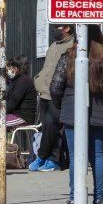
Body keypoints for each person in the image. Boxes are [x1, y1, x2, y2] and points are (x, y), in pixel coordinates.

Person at [50, 25, 103, 204]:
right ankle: (99, 200)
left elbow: (55, 87)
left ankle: (74, 198)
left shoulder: (69, 57)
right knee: (97, 155)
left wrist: (62, 105)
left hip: (72, 110)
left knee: (75, 157)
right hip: (99, 110)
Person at [30, 24, 74, 172]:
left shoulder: (72, 45)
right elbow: (47, 67)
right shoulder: (54, 45)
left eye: (58, 26)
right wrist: (38, 79)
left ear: (67, 29)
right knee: (47, 127)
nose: (54, 29)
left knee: (52, 125)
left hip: (56, 94)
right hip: (43, 93)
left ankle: (45, 157)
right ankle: (51, 159)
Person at [0, 55, 37, 146]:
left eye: (9, 68)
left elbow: (11, 104)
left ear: (15, 69)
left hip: (22, 117)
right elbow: (6, 102)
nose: (7, 71)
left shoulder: (23, 81)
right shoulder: (16, 80)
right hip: (15, 115)